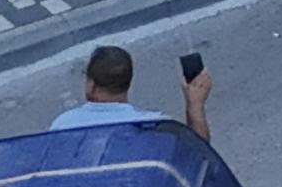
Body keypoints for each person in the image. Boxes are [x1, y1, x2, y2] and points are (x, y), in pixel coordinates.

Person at [49, 41, 213, 142]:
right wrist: (195, 106)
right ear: (128, 83)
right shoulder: (158, 127)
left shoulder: (62, 125)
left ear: (91, 85)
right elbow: (199, 156)